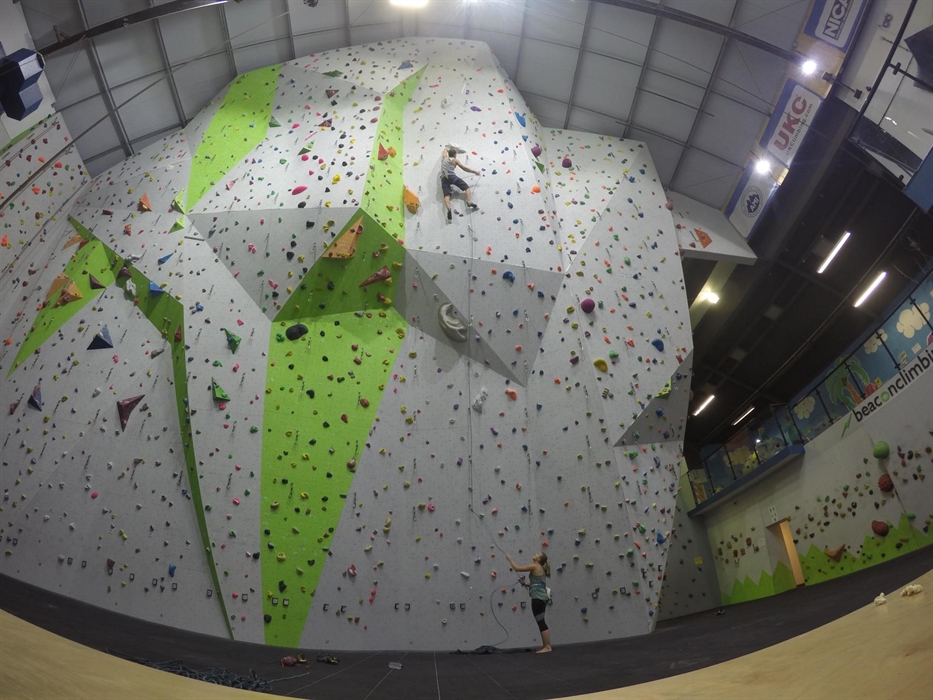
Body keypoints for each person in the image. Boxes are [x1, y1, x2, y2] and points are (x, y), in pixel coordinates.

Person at [506, 552, 552, 653]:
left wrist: (510, 559)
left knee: (541, 621)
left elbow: (517, 568)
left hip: (538, 597)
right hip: (540, 596)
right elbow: (537, 583)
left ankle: (548, 647)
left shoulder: (535, 566)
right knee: (540, 621)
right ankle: (545, 645)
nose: (535, 554)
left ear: (539, 559)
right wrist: (526, 584)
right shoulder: (538, 567)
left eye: (538, 554)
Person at [440, 144, 479, 221]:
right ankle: (469, 202)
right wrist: (475, 172)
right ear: (455, 155)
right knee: (466, 187)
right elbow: (465, 168)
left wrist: (449, 149)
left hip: (444, 178)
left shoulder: (444, 157)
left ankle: (449, 209)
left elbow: (445, 149)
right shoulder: (455, 160)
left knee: (447, 195)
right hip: (451, 177)